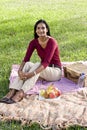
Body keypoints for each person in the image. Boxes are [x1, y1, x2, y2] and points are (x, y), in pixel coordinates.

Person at [0, 19, 62, 104]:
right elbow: (26, 59)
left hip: (55, 72)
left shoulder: (52, 42)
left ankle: (21, 93)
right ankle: (13, 90)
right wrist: (20, 70)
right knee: (28, 64)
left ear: (47, 30)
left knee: (37, 64)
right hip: (44, 70)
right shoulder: (34, 42)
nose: (41, 30)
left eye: (43, 28)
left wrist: (31, 74)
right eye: (38, 28)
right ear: (36, 31)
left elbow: (46, 62)